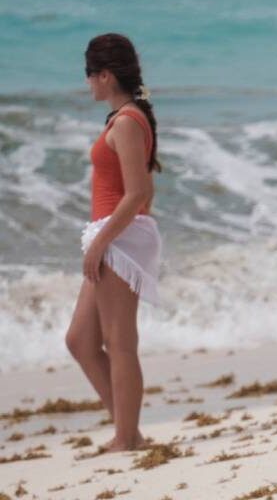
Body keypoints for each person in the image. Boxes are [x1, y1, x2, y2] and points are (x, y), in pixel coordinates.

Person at [65, 33, 163, 452]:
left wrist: (101, 242)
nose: (87, 83)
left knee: (119, 342)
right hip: (119, 234)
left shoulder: (126, 121)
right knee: (81, 341)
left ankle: (126, 438)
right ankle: (129, 430)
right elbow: (144, 189)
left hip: (117, 236)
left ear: (105, 75)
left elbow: (137, 193)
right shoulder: (127, 117)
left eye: (89, 75)